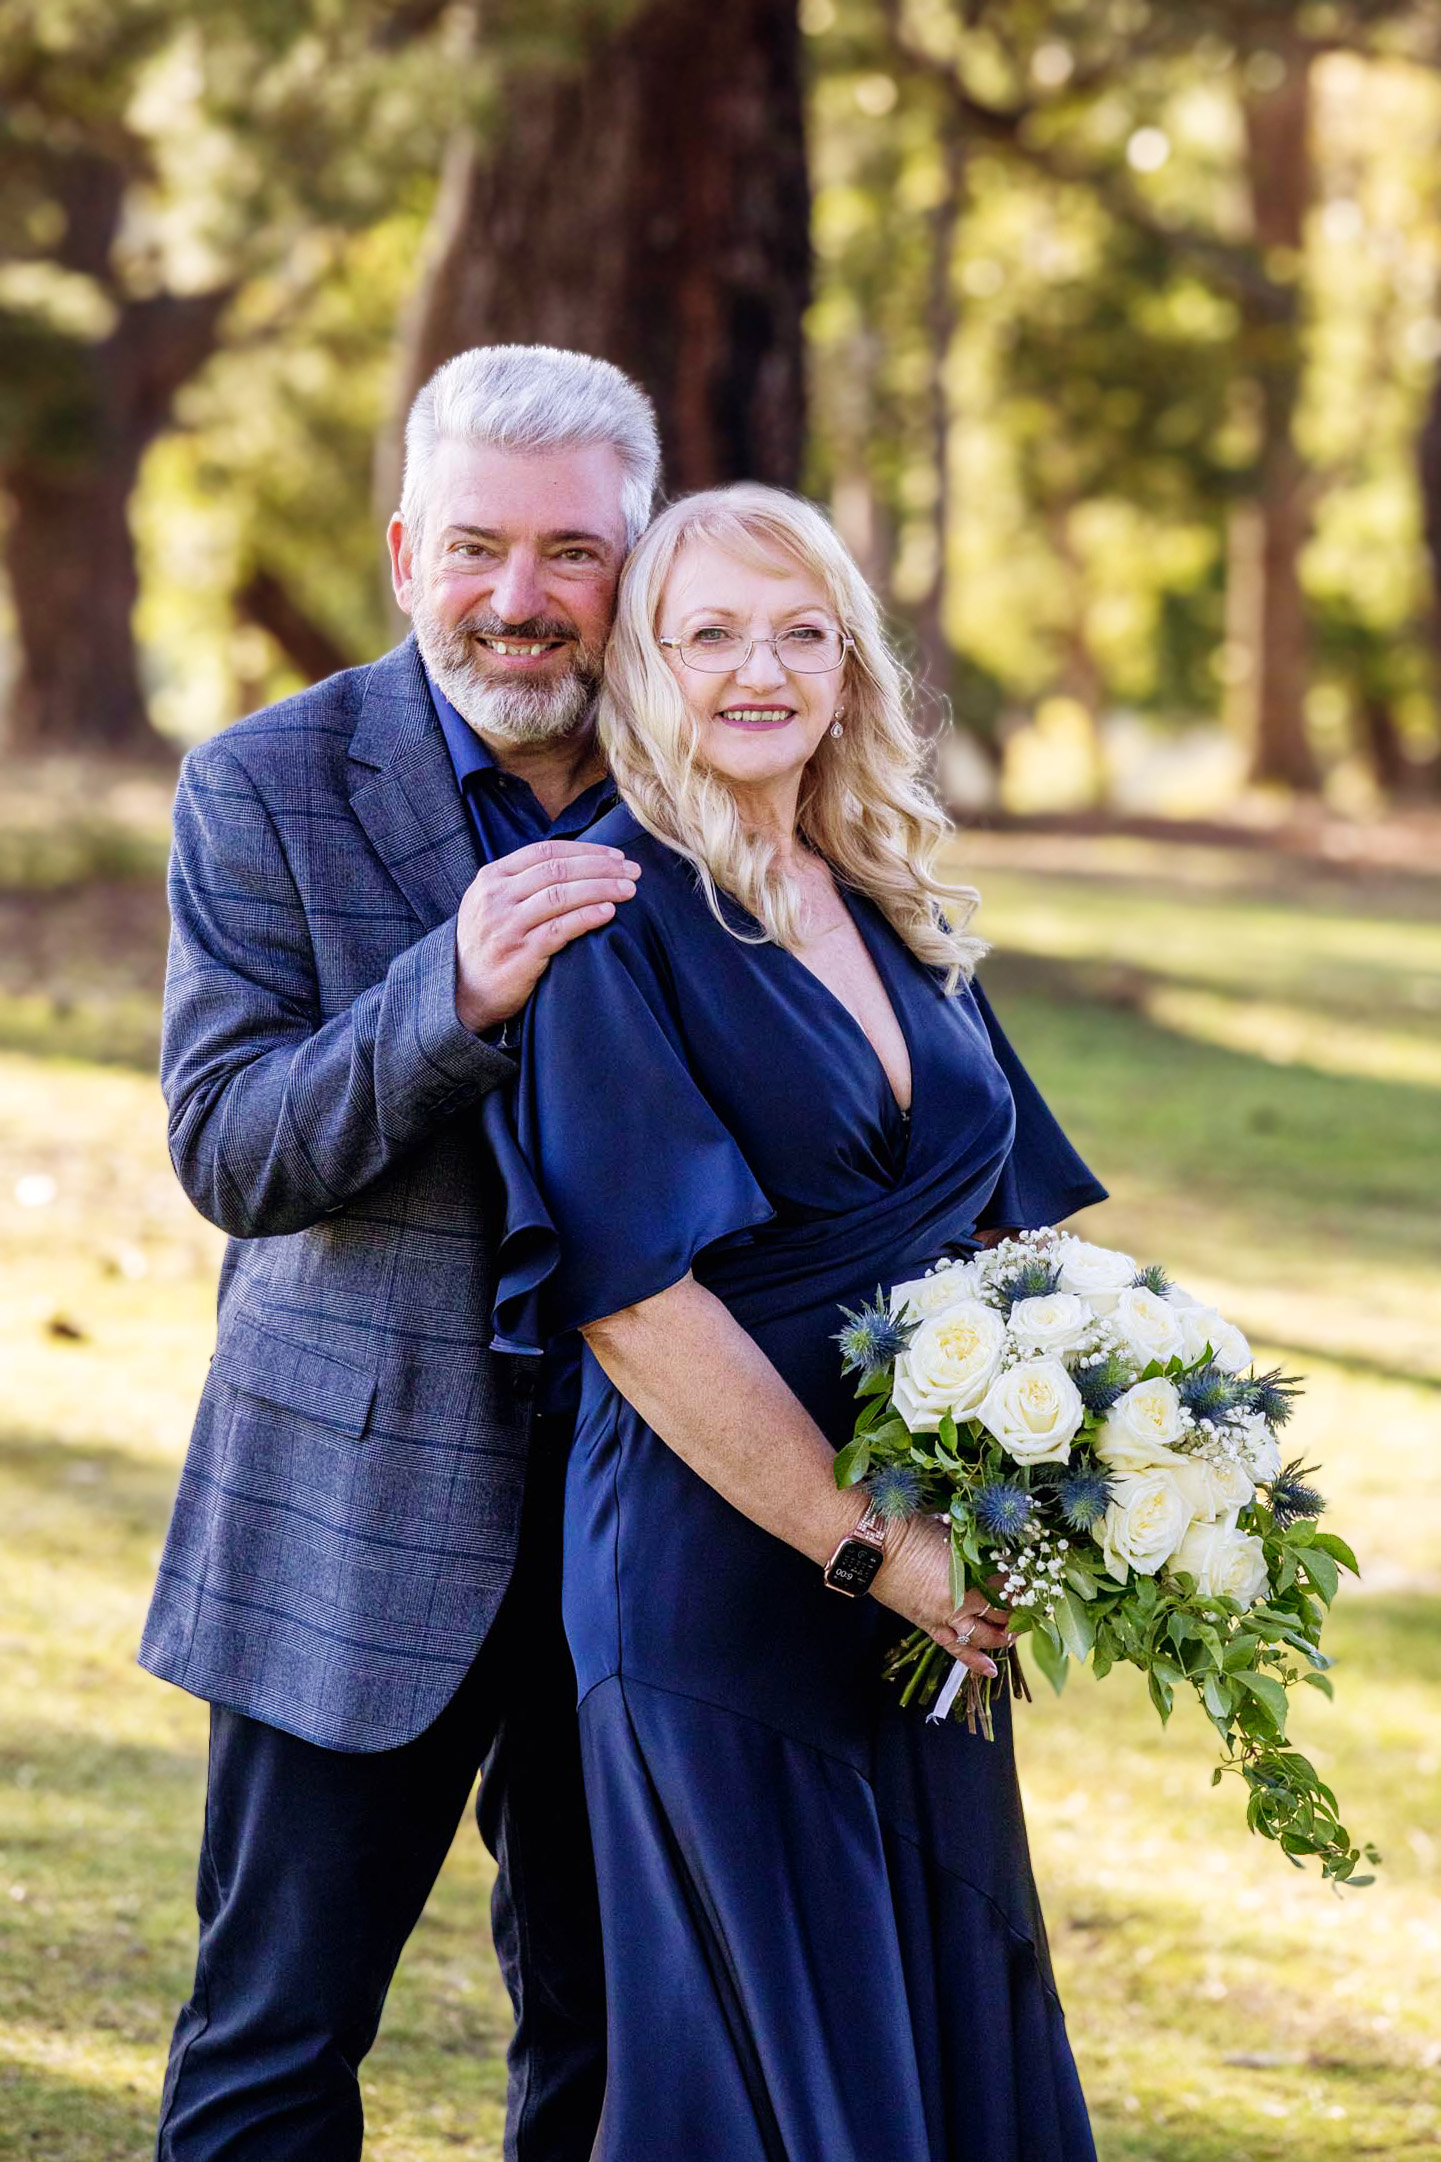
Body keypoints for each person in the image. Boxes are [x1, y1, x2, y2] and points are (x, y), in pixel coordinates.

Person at [492, 483, 1108, 2161]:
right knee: (782, 2075)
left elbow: (1003, 1229)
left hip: (929, 1570)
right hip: (723, 1570)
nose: (757, 671)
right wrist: (869, 1545)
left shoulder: (893, 898)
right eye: (709, 634)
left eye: (799, 633)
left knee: (936, 2036)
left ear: (849, 669)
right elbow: (632, 1301)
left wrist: (1100, 1470)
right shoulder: (607, 912)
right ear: (642, 666)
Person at [142, 344, 660, 2160]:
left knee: (615, 2043)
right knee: (273, 2041)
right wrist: (446, 991)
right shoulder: (261, 784)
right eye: (476, 547)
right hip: (352, 1509)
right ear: (401, 553)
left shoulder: (714, 783)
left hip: (649, 1519)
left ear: (638, 558)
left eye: (572, 552)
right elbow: (230, 1146)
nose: (520, 598)